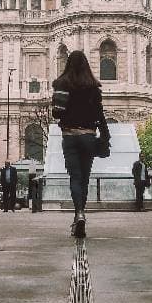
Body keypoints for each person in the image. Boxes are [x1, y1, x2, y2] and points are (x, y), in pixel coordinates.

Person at [52, 50, 110, 238]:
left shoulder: (62, 84)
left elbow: (57, 113)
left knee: (75, 177)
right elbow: (100, 116)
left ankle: (79, 214)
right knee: (84, 178)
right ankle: (81, 214)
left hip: (70, 136)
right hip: (88, 136)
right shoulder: (93, 87)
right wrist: (105, 136)